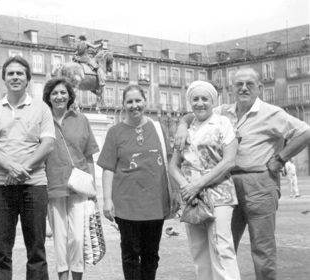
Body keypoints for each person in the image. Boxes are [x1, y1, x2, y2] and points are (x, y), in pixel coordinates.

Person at [175, 68, 310, 280]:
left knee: (262, 247)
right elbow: (197, 110)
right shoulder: (222, 111)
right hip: (224, 183)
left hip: (259, 183)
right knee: (224, 245)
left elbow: (305, 132)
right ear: (232, 88)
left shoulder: (272, 113)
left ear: (260, 87)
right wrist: (182, 124)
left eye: (249, 84)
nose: (244, 88)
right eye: (239, 84)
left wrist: (280, 158)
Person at [0, 56, 56, 280]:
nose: (15, 77)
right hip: (1, 187)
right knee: (1, 250)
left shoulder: (42, 109)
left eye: (20, 73)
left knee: (36, 249)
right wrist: (10, 167)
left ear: (28, 79)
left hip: (34, 186)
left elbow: (48, 144)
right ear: (3, 78)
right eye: (11, 73)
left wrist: (20, 169)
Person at [97, 85, 180, 280]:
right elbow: (108, 168)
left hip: (155, 203)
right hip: (126, 205)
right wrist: (107, 200)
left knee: (151, 255)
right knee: (130, 255)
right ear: (123, 105)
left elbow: (170, 163)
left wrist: (175, 191)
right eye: (129, 102)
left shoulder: (158, 128)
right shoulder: (115, 132)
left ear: (145, 102)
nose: (134, 106)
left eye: (138, 101)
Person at [169, 81, 240, 280]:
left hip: (219, 193)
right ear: (190, 102)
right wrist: (187, 187)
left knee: (221, 248)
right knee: (198, 250)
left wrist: (197, 185)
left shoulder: (223, 123)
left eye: (205, 99)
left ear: (213, 101)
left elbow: (229, 161)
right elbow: (173, 165)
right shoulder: (186, 130)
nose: (200, 103)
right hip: (191, 196)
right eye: (195, 99)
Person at [42, 77, 99, 280]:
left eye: (63, 92)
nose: (59, 96)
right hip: (54, 186)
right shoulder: (42, 120)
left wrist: (93, 188)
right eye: (54, 93)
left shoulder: (81, 119)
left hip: (79, 187)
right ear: (48, 97)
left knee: (77, 237)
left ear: (69, 96)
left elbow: (89, 155)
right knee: (60, 239)